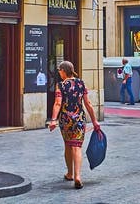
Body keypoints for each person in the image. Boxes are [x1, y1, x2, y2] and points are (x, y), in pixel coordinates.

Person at [48, 60, 101, 189]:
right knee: (77, 146)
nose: (59, 73)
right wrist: (94, 121)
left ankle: (70, 173)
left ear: (64, 71)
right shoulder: (81, 83)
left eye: (60, 70)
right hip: (79, 119)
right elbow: (88, 104)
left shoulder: (61, 85)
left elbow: (57, 103)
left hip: (66, 120)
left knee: (68, 144)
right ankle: (78, 176)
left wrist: (54, 120)